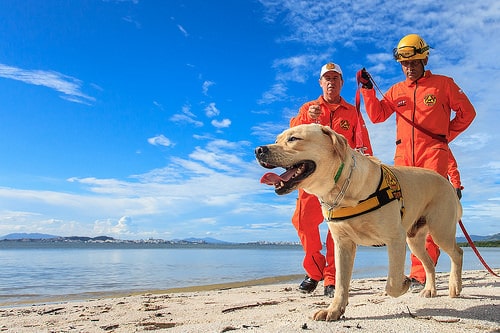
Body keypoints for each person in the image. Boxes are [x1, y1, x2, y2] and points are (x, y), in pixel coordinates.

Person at [359, 34, 476, 286]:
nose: (409, 68)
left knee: (429, 214)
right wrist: (368, 91)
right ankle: (415, 271)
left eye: (414, 62)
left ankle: (420, 275)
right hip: (403, 161)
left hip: (433, 156)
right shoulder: (396, 90)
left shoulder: (444, 84)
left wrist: (443, 138)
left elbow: (468, 112)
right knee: (404, 217)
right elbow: (378, 116)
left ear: (424, 59)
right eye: (404, 64)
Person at [290, 62, 373, 297]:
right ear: (320, 83)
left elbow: (363, 144)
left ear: (341, 83)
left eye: (335, 78)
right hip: (311, 178)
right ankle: (314, 270)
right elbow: (292, 134)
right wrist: (306, 118)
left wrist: (369, 170)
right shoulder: (309, 108)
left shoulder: (352, 112)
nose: (330, 82)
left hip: (341, 181)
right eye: (327, 78)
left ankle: (332, 279)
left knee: (337, 229)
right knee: (303, 222)